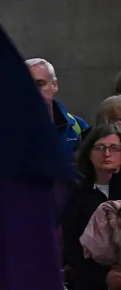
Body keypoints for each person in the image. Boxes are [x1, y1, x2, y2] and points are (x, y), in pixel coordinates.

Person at [63, 122, 121, 290]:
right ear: (89, 153)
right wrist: (104, 277)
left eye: (114, 148)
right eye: (99, 147)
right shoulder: (75, 192)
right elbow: (71, 247)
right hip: (87, 276)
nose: (107, 153)